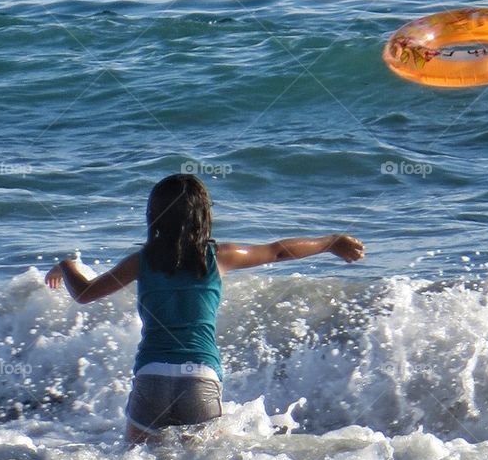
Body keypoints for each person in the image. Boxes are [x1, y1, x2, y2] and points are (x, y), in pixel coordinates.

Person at [45, 173, 364, 442]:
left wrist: (66, 265)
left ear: (154, 216)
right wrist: (330, 242)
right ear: (204, 215)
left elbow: (84, 293)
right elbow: (278, 251)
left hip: (151, 376)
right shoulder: (219, 256)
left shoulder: (141, 262)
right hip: (200, 377)